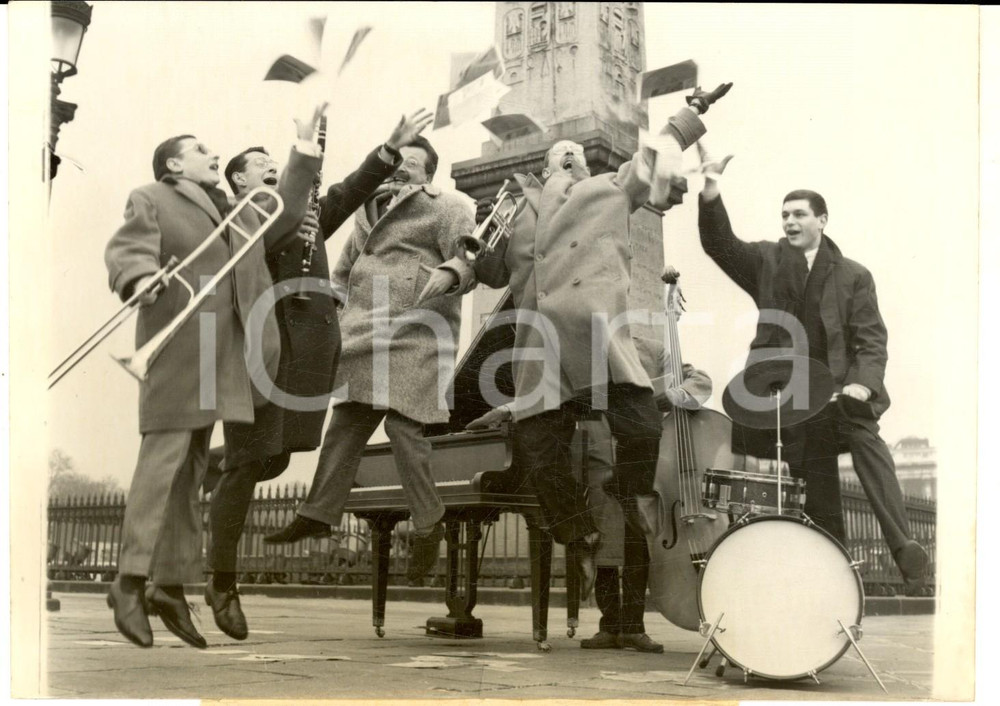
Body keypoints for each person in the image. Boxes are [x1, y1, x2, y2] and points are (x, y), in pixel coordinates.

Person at [464, 84, 733, 600]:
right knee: (537, 453)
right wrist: (477, 248)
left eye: (573, 157)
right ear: (544, 169)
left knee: (639, 425)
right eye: (557, 158)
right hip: (540, 345)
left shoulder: (610, 187)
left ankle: (630, 494)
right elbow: (494, 274)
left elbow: (655, 149)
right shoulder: (517, 212)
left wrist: (695, 108)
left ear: (586, 168)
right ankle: (579, 531)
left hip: (596, 332)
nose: (566, 160)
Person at [204, 110, 434, 640]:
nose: (266, 166)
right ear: (239, 179)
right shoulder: (240, 215)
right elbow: (274, 220)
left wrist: (388, 148)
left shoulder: (304, 212)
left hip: (303, 355)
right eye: (257, 164)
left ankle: (207, 467)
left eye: (271, 162)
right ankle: (222, 581)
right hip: (257, 352)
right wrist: (298, 169)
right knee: (246, 464)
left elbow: (351, 191)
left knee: (280, 454)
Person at [103, 106, 325, 648]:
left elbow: (290, 209)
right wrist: (139, 279)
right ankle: (130, 581)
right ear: (174, 164)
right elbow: (127, 248)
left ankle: (169, 586)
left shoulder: (241, 214)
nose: (213, 155)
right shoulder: (152, 197)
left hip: (218, 361)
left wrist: (303, 146)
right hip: (178, 350)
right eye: (201, 150)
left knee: (189, 469)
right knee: (162, 468)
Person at [696, 151, 929, 585]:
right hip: (785, 400)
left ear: (822, 220)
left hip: (838, 397)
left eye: (799, 214)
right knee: (821, 504)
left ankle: (902, 543)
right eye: (784, 214)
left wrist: (861, 386)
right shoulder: (765, 261)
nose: (789, 221)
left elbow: (871, 341)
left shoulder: (854, 276)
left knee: (866, 436)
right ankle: (832, 589)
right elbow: (720, 244)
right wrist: (711, 186)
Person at [265, 134, 476, 546]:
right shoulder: (368, 208)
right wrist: (338, 311)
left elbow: (471, 257)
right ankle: (319, 513)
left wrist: (452, 273)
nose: (401, 167)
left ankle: (429, 523)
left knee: (403, 427)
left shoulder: (449, 207)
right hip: (363, 331)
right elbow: (345, 268)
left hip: (418, 332)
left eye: (412, 164)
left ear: (428, 173)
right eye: (399, 160)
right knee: (346, 423)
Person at [579, 352, 712, 653]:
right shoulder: (588, 347)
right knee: (605, 546)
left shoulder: (652, 349)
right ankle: (609, 626)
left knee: (637, 542)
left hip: (639, 459)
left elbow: (700, 380)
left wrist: (665, 397)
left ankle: (634, 628)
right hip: (601, 458)